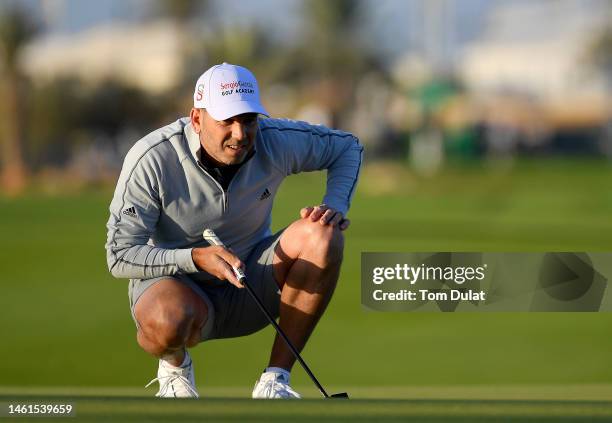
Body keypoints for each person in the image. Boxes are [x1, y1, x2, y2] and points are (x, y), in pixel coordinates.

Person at [105, 63, 362, 399]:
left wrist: (334, 207)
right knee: (165, 318)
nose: (240, 134)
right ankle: (175, 370)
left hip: (251, 282)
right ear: (197, 119)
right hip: (177, 288)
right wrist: (196, 258)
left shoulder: (274, 140)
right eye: (227, 121)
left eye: (248, 120)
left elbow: (347, 147)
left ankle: (276, 380)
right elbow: (119, 255)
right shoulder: (153, 158)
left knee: (323, 234)